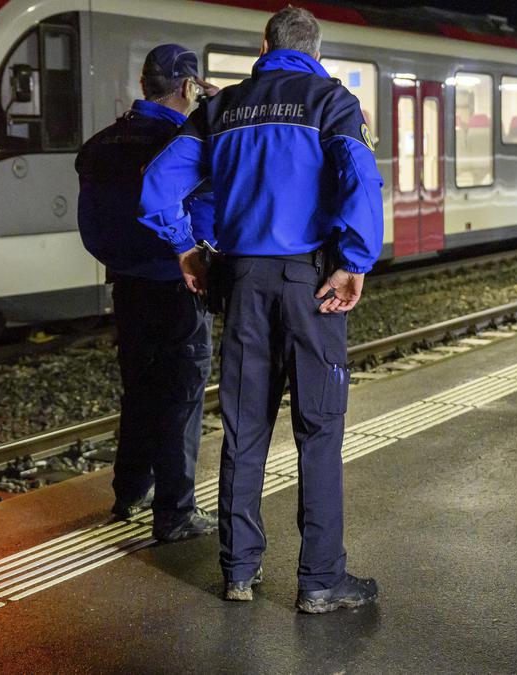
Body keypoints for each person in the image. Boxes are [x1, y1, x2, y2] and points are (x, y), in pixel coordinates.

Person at [138, 8, 384, 613]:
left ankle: (239, 572)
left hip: (243, 283)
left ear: (263, 45)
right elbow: (359, 180)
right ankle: (321, 580)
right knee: (319, 430)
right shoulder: (332, 103)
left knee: (245, 428)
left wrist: (188, 248)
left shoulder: (222, 109)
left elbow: (159, 184)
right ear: (315, 50)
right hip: (312, 285)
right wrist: (354, 260)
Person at [75, 44, 219, 543]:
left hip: (128, 286)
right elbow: (204, 216)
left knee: (139, 389)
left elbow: (91, 228)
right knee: (180, 397)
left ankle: (129, 490)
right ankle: (175, 513)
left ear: (144, 86)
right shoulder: (183, 143)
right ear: (187, 87)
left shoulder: (101, 144)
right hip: (180, 285)